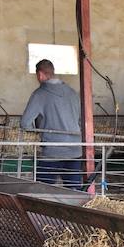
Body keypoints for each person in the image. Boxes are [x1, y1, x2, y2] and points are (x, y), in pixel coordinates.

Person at [21, 59, 83, 189]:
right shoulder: (72, 93)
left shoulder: (40, 94)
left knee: (41, 189)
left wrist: (36, 130)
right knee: (74, 191)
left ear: (40, 74)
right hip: (75, 149)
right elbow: (79, 119)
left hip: (52, 150)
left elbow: (25, 123)